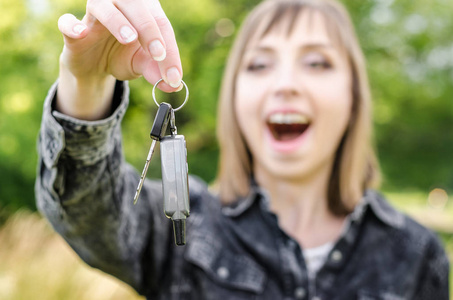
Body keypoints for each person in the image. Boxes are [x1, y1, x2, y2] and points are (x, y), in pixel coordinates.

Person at [35, 0, 450, 299]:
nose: (285, 84)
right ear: (234, 100)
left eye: (317, 62)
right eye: (259, 64)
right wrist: (86, 85)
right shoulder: (183, 232)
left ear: (354, 95)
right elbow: (87, 210)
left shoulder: (418, 255)